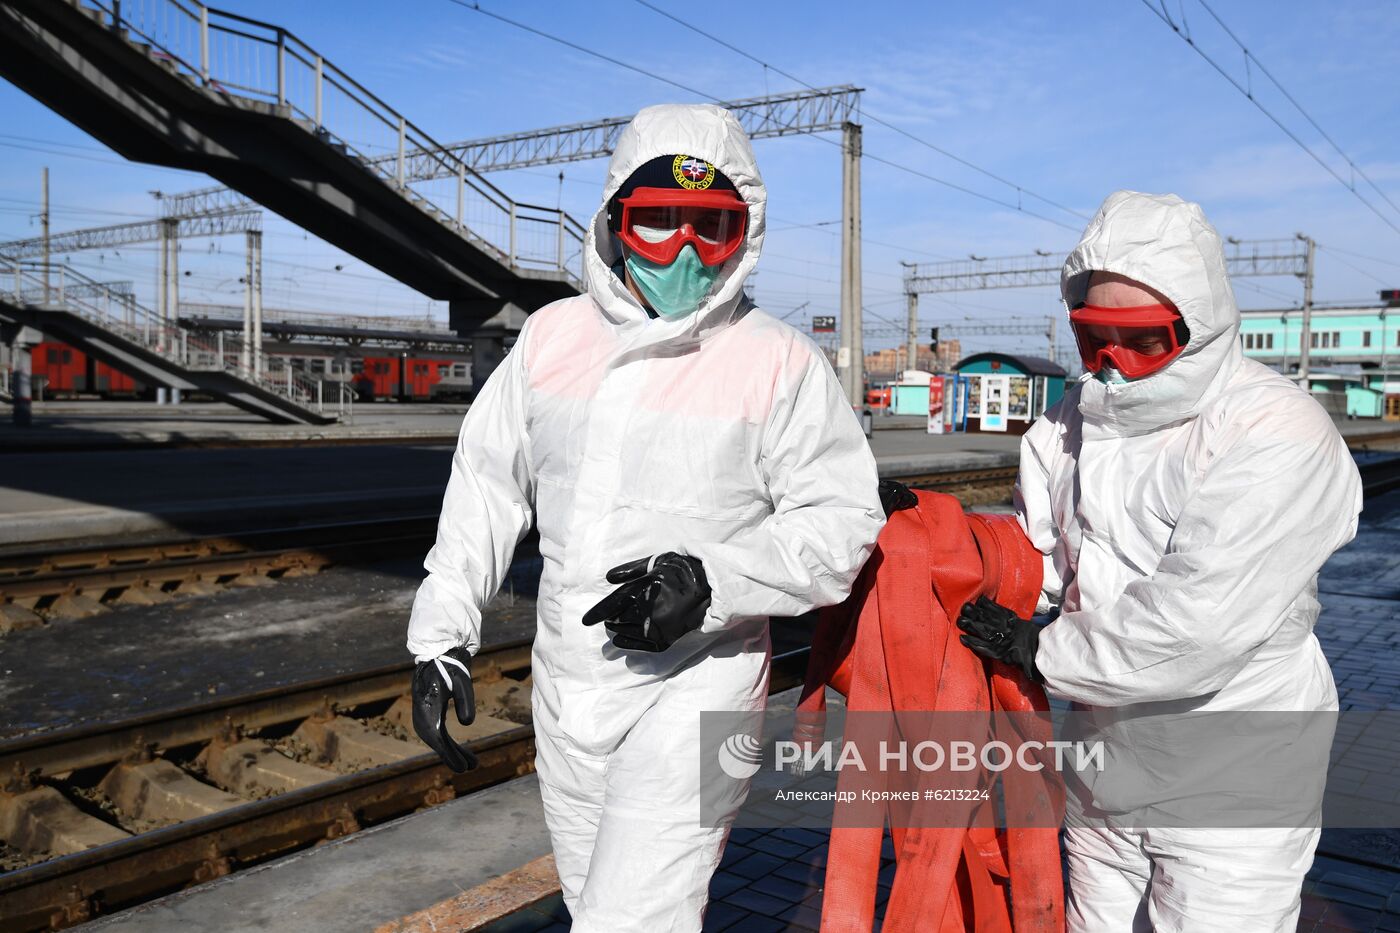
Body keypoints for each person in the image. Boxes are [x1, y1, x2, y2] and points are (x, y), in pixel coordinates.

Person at [405, 103, 885, 932]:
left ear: (747, 233)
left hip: (701, 689)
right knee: (597, 904)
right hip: (568, 683)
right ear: (614, 224)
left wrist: (713, 585)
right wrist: (442, 634)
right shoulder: (551, 340)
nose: (688, 251)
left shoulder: (776, 363)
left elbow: (841, 521)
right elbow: (487, 486)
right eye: (658, 223)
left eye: (714, 227)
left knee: (634, 918)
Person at [957, 190, 1362, 931]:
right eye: (1092, 338)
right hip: (1105, 765)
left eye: (1140, 339)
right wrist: (941, 536)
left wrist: (1044, 648)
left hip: (1234, 781)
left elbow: (1197, 623)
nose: (1111, 363)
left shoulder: (1275, 431)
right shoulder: (1063, 428)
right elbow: (1037, 556)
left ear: (1198, 327)